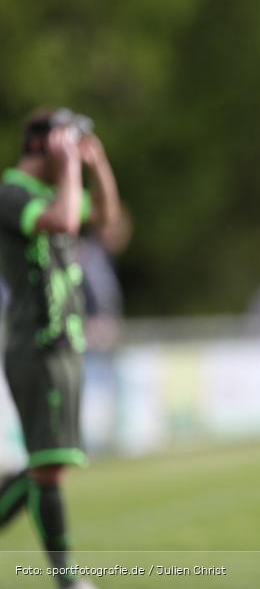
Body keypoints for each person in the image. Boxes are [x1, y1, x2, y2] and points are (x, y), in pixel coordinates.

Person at [0, 108, 121, 589]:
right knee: (49, 467)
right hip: (36, 343)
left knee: (49, 463)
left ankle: (67, 579)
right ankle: (68, 580)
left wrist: (97, 163)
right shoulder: (12, 192)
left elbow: (106, 218)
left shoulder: (57, 188)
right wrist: (71, 168)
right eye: (63, 141)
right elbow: (66, 220)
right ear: (38, 146)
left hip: (63, 346)